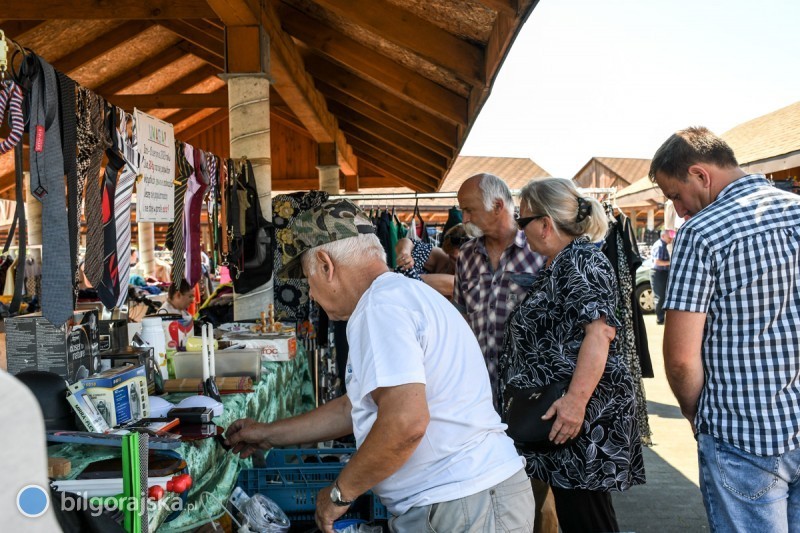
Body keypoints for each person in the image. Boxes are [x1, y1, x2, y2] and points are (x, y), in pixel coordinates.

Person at [225, 199, 534, 533]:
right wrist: (268, 433)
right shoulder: (398, 295)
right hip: (467, 499)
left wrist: (341, 493)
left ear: (327, 266)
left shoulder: (380, 307)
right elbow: (357, 406)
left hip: (464, 502)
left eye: (307, 278)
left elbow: (406, 421)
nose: (310, 294)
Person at [649, 126, 800, 532]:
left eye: (675, 195)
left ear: (700, 175)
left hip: (742, 435)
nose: (679, 210)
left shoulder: (702, 232)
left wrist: (696, 414)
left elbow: (680, 358)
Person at [501, 178, 646, 532]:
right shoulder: (563, 262)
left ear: (545, 224)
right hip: (566, 415)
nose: (521, 232)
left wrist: (575, 403)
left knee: (588, 519)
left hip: (580, 419)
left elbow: (600, 333)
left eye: (523, 222)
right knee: (579, 514)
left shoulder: (580, 261)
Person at [454, 173, 556, 533]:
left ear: (498, 206)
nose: (463, 218)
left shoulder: (540, 252)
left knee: (537, 494)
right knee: (492, 491)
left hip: (531, 398)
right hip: (480, 398)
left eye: (468, 210)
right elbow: (464, 321)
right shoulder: (466, 255)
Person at [394, 223, 469, 298]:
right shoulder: (442, 257)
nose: (458, 264)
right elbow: (408, 242)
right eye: (453, 258)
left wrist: (401, 275)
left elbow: (407, 280)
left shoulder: (462, 283)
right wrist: (405, 253)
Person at [649, 229, 673, 324]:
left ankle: (661, 317)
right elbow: (657, 262)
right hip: (658, 273)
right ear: (663, 236)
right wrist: (671, 263)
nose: (671, 239)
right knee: (660, 297)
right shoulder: (660, 246)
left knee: (662, 296)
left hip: (661, 273)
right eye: (669, 237)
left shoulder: (662, 245)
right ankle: (660, 318)